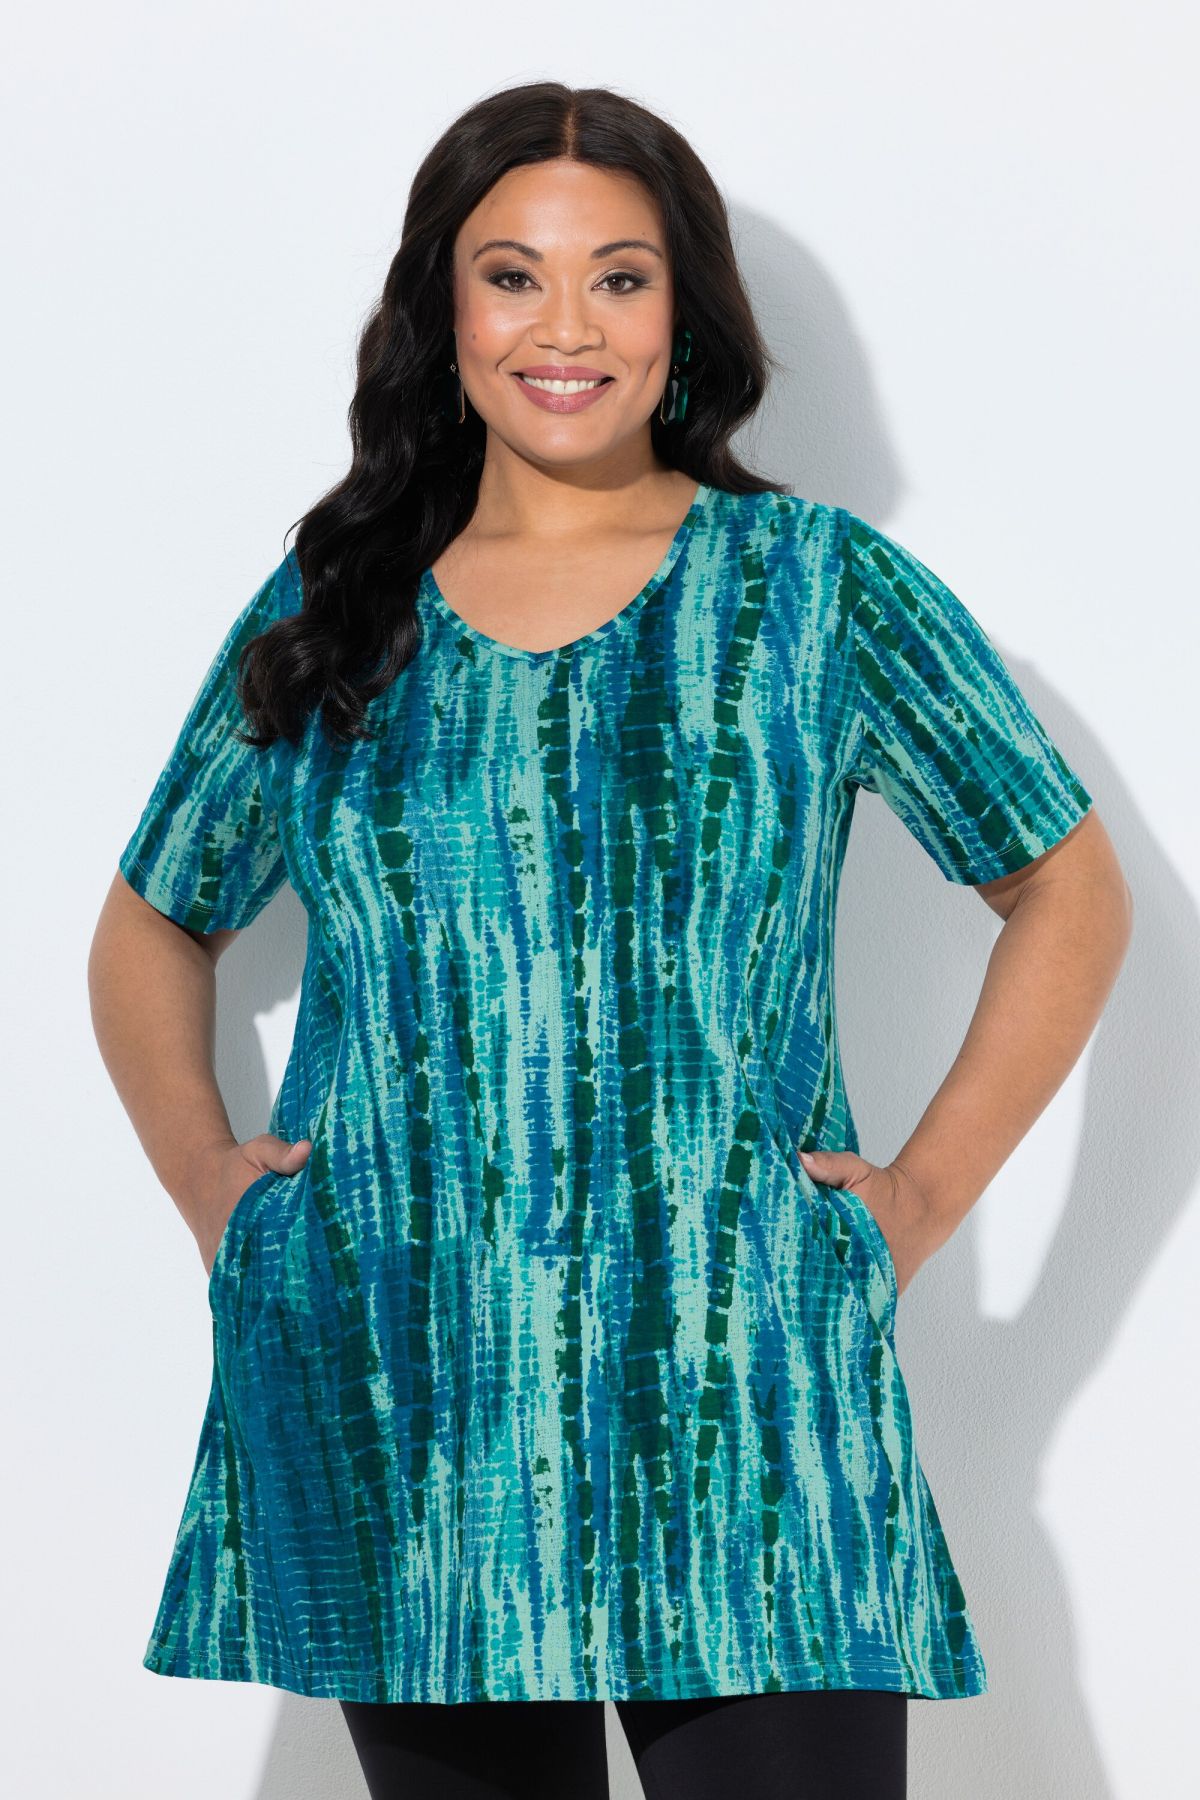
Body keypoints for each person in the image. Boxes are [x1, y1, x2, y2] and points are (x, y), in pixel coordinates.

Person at [89, 80, 1132, 1800]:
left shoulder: (812, 587)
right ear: (443, 316)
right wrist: (211, 1180)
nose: (564, 327)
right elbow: (149, 921)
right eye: (512, 276)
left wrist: (923, 1199)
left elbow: (1067, 887)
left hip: (744, 1399)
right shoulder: (339, 606)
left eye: (620, 278)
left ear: (684, 316)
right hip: (405, 1396)